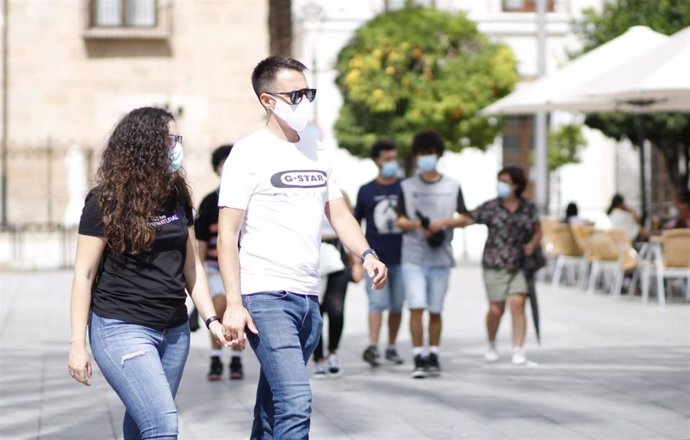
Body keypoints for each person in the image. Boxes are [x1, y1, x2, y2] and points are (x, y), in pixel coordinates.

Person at [216, 56, 388, 439]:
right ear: (267, 100)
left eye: (308, 92)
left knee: (272, 405)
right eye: (295, 94)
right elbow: (227, 234)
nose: (304, 101)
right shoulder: (247, 154)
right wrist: (233, 303)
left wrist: (368, 254)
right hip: (265, 296)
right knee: (295, 401)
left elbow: (340, 214)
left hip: (309, 298)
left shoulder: (317, 149)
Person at [67, 107, 228, 440]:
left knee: (143, 422)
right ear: (145, 146)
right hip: (121, 326)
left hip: (174, 330)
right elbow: (83, 274)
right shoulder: (104, 201)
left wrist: (212, 320)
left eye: (177, 138)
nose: (177, 146)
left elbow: (191, 265)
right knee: (163, 425)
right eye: (170, 139)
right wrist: (77, 345)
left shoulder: (177, 195)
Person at [396, 130, 467, 379]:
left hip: (441, 255)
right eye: (422, 154)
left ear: (438, 155)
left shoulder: (452, 185)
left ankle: (433, 353)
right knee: (416, 305)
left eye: (431, 153)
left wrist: (443, 223)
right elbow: (400, 219)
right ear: (417, 156)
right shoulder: (406, 185)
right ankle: (418, 355)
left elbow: (466, 217)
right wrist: (419, 226)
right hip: (413, 255)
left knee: (436, 308)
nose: (426, 158)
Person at [458, 166, 541, 365]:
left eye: (506, 181)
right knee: (496, 309)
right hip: (494, 264)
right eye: (500, 180)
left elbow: (538, 229)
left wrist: (531, 245)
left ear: (517, 185)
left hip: (518, 264)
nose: (501, 185)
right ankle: (491, 342)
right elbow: (467, 218)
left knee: (518, 304)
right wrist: (441, 223)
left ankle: (518, 349)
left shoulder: (528, 207)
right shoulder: (492, 207)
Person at [195, 144, 245, 381]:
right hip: (215, 268)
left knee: (235, 310)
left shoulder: (248, 198)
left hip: (241, 268)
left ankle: (236, 358)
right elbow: (202, 241)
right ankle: (216, 357)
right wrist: (199, 272)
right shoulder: (207, 203)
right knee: (219, 307)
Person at [355, 139, 405, 367]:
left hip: (404, 257)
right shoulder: (366, 190)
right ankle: (373, 346)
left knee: (397, 305)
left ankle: (392, 346)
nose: (392, 163)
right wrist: (358, 260)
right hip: (376, 258)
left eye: (394, 158)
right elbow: (355, 225)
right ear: (377, 161)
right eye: (387, 159)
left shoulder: (405, 187)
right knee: (376, 303)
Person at [313, 192, 363, 378]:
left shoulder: (339, 195)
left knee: (336, 309)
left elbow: (350, 228)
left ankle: (333, 353)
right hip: (313, 256)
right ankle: (318, 359)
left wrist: (357, 263)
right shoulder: (303, 192)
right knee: (314, 312)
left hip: (338, 257)